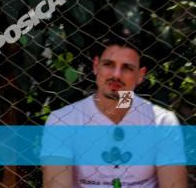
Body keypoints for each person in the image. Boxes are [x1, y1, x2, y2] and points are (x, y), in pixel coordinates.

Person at [41, 34, 187, 188]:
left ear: (140, 75)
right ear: (96, 66)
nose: (116, 75)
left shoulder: (162, 122)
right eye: (109, 64)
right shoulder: (63, 121)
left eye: (127, 68)